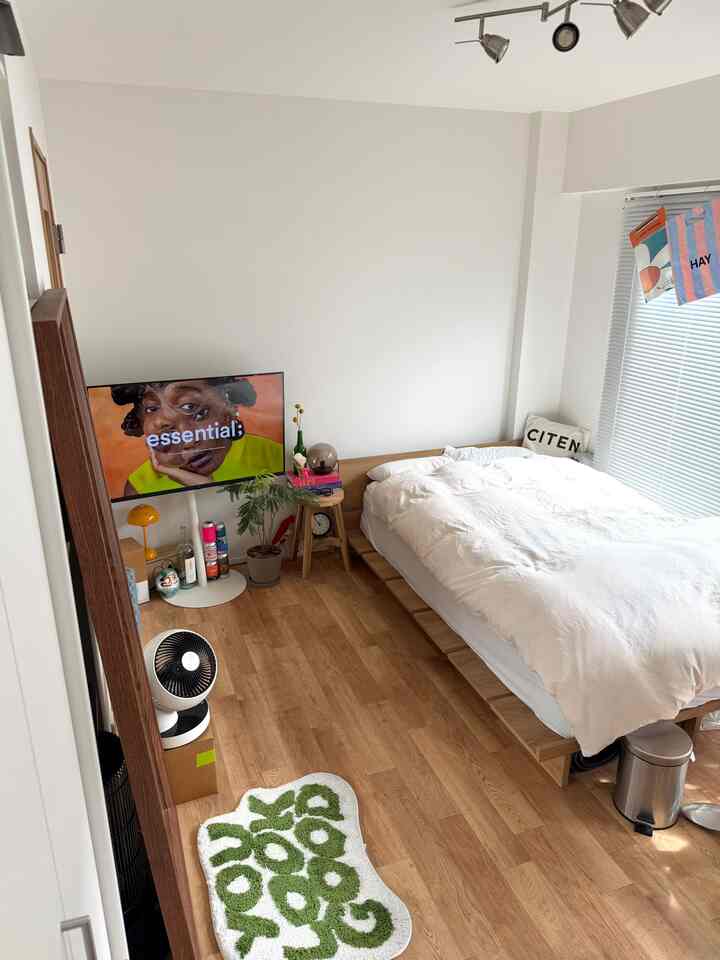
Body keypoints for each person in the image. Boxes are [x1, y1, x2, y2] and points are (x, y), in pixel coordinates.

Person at [112, 377, 283, 497]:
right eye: (166, 429)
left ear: (228, 409)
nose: (187, 442)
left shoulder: (275, 459)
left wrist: (207, 488)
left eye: (198, 413)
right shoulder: (140, 487)